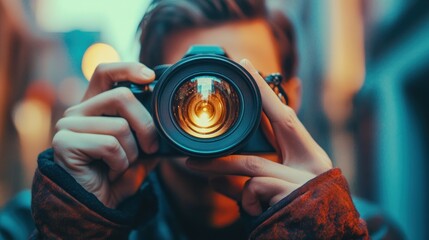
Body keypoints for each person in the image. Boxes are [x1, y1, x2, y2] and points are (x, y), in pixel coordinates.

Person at [30, 0, 371, 239]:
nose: (211, 108)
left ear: (288, 99)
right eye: (185, 85)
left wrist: (315, 229)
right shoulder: (45, 220)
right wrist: (81, 222)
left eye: (243, 83)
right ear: (150, 96)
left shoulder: (349, 225)